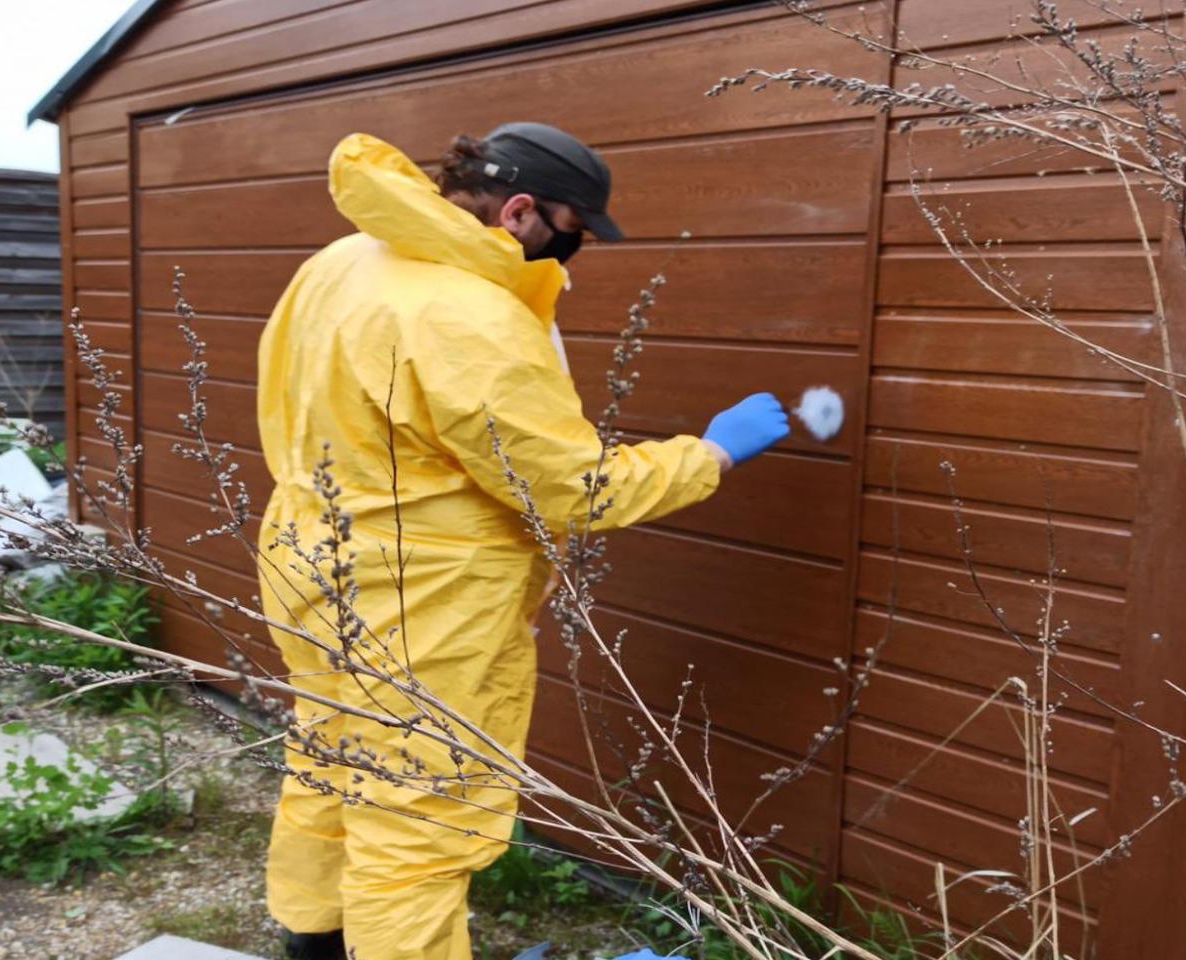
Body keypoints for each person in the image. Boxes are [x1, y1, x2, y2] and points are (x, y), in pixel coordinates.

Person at [255, 122, 790, 960]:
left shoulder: (341, 261)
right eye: (572, 233)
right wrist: (711, 452)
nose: (571, 254)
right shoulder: (465, 312)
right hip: (421, 598)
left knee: (331, 761)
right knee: (419, 819)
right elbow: (574, 488)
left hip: (310, 562)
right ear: (518, 212)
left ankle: (314, 944)